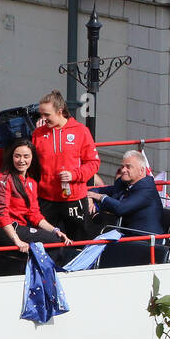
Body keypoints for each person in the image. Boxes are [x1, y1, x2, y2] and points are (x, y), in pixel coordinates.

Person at [32, 90, 99, 241]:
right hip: (46, 198)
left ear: (60, 111)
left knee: (79, 242)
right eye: (41, 114)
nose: (43, 118)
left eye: (47, 115)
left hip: (73, 198)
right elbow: (32, 165)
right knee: (44, 241)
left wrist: (74, 175)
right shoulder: (38, 134)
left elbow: (93, 163)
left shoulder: (81, 131)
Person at [0, 139, 69, 256]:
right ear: (11, 157)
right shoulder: (2, 180)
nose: (21, 160)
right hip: (1, 230)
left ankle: (41, 272)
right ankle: (42, 273)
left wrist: (55, 230)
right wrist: (17, 240)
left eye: (26, 156)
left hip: (19, 227)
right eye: (17, 156)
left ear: (32, 158)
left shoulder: (31, 183)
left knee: (56, 238)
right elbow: (1, 214)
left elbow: (34, 215)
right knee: (54, 241)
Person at [88, 150, 163, 264]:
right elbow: (98, 190)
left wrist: (100, 197)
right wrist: (90, 198)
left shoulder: (147, 188)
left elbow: (121, 208)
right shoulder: (123, 183)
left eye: (128, 167)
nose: (123, 170)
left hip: (146, 241)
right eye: (122, 166)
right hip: (126, 235)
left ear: (141, 170)